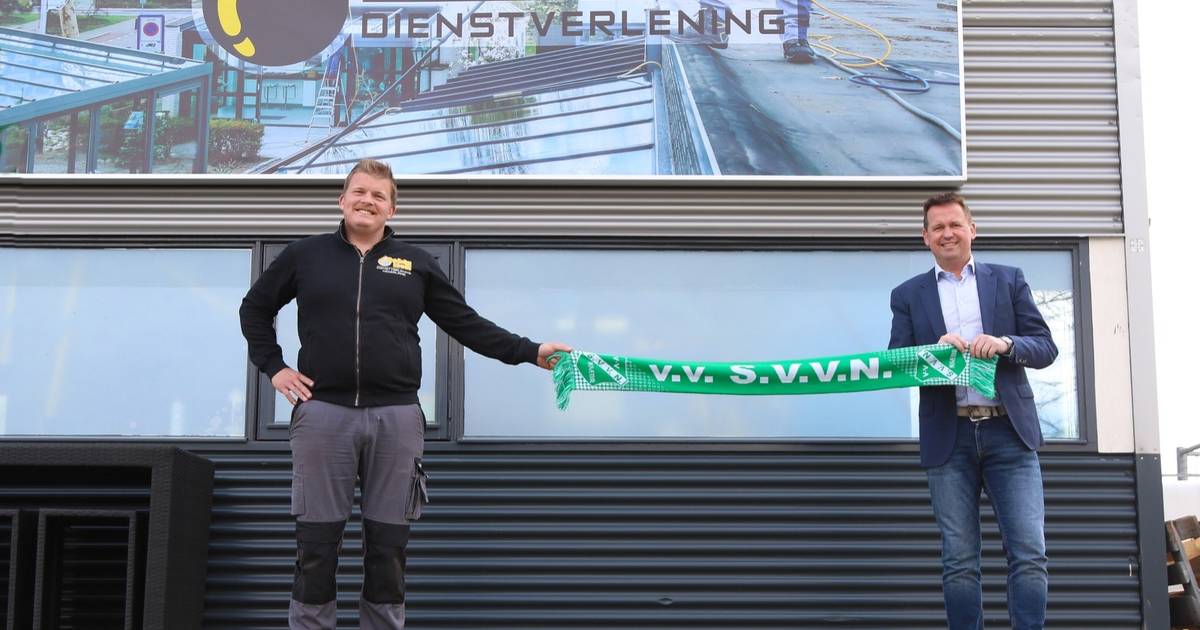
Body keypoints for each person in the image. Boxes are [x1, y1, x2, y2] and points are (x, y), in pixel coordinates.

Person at [239, 158, 571, 630]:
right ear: (342, 200)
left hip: (396, 418)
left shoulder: (415, 263)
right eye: (359, 192)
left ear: (391, 210)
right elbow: (253, 310)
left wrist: (530, 351)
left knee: (388, 547)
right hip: (322, 415)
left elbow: (466, 323)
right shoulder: (304, 256)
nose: (367, 201)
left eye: (378, 195)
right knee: (316, 544)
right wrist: (274, 368)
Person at [888, 192, 1057, 630]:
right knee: (959, 560)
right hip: (950, 438)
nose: (948, 233)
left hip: (1010, 433)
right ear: (925, 237)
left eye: (955, 224)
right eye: (938, 227)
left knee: (1029, 553)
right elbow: (896, 364)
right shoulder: (907, 295)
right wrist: (932, 351)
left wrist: (1006, 344)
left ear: (972, 230)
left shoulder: (1009, 280)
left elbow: (1045, 347)